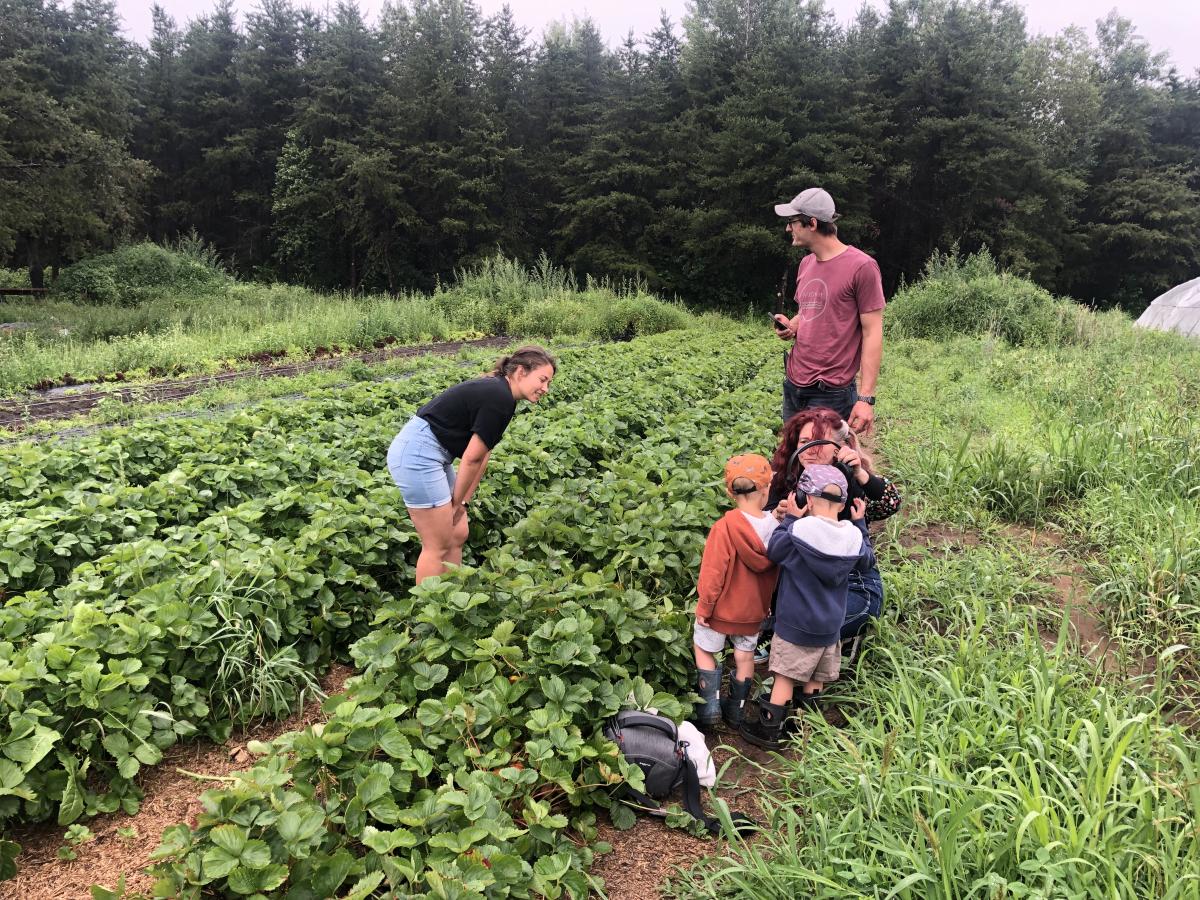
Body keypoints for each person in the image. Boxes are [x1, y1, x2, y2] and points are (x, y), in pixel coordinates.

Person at [386, 346, 556, 583]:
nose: (545, 388)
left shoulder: (503, 395)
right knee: (438, 542)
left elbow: (482, 455)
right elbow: (471, 458)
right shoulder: (500, 397)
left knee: (458, 531)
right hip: (417, 454)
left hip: (433, 452)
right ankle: (428, 610)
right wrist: (454, 503)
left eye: (548, 383)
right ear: (520, 372)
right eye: (542, 379)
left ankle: (451, 594)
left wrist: (463, 502)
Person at [740, 465, 874, 749]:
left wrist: (789, 519)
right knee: (815, 677)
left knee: (786, 676)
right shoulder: (850, 537)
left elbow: (774, 551)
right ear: (842, 504)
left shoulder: (798, 532)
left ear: (807, 499)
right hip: (830, 626)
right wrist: (860, 524)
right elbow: (867, 560)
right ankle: (804, 727)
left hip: (796, 623)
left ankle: (769, 729)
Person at [766, 407, 901, 640]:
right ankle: (791, 630)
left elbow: (889, 504)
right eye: (805, 441)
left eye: (820, 442)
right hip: (799, 582)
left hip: (850, 581)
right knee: (794, 619)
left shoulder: (848, 480)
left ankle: (788, 631)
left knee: (832, 619)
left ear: (840, 447)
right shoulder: (786, 478)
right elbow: (760, 531)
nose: (811, 450)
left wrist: (861, 474)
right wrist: (776, 517)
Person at [770, 187, 885, 434]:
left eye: (792, 222)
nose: (788, 228)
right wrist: (792, 326)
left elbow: (872, 332)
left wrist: (866, 399)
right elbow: (810, 312)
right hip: (794, 383)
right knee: (794, 459)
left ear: (811, 223)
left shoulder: (862, 267)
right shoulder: (806, 263)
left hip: (831, 391)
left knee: (824, 466)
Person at [693, 455, 779, 730]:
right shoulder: (776, 529)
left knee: (705, 649)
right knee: (744, 657)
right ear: (766, 488)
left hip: (721, 610)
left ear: (729, 492)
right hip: (753, 611)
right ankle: (736, 713)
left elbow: (713, 573)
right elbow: (774, 573)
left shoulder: (724, 528)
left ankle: (709, 711)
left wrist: (705, 607)